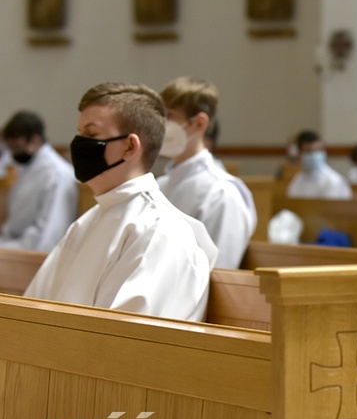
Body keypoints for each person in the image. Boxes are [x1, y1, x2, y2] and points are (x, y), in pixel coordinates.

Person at [25, 82, 217, 321]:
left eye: (92, 134)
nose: (78, 144)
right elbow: (33, 310)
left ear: (130, 147)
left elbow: (127, 342)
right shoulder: (87, 222)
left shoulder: (160, 232)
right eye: (79, 133)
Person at [157, 76, 256, 269]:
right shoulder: (160, 186)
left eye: (169, 116)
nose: (159, 125)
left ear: (199, 123)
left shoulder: (221, 194)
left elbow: (219, 272)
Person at [0, 111, 78, 252]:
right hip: (15, 243)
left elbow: (50, 234)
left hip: (34, 251)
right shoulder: (28, 168)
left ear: (35, 141)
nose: (14, 154)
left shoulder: (57, 174)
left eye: (17, 148)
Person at [286, 130, 352, 199]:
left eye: (318, 150)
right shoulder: (298, 180)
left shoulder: (333, 181)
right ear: (299, 154)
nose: (315, 155)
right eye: (309, 151)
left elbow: (331, 208)